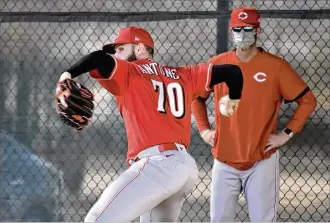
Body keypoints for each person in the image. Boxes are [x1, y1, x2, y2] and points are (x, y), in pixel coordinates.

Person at [56, 26, 243, 222]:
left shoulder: (130, 71)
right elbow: (233, 72)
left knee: (96, 219)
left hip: (157, 164)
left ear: (140, 49)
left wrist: (67, 73)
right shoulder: (183, 74)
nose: (116, 55)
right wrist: (233, 98)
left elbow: (97, 58)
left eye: (121, 49)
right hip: (184, 167)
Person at [191, 6, 317, 222]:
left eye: (248, 29)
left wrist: (287, 133)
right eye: (237, 29)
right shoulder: (217, 63)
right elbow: (196, 97)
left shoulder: (275, 66)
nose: (242, 35)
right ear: (231, 31)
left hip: (261, 160)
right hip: (224, 160)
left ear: (258, 30)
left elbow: (308, 100)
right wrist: (204, 130)